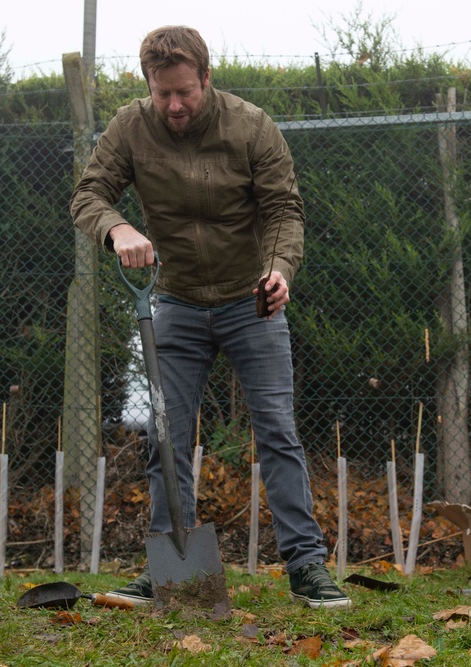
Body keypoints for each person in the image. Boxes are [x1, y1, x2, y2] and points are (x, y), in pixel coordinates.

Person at [70, 25, 350, 610]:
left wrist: (279, 271)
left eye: (184, 93)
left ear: (206, 78)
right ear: (149, 84)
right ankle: (170, 570)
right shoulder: (129, 126)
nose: (173, 106)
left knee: (277, 430)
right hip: (172, 301)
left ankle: (306, 568)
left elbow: (283, 209)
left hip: (251, 300)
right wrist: (118, 228)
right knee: (165, 436)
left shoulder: (251, 126)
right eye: (161, 93)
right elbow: (88, 194)